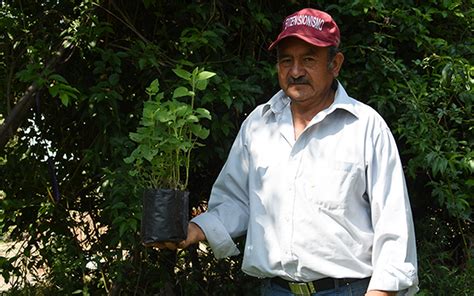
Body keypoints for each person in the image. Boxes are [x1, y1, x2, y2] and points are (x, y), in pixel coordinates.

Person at [156, 8, 419, 296]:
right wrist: (197, 229)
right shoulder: (258, 124)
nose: (295, 71)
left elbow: (393, 224)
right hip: (275, 290)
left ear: (336, 64)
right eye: (286, 61)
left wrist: (383, 291)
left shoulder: (365, 127)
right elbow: (238, 201)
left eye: (308, 59)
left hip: (348, 290)